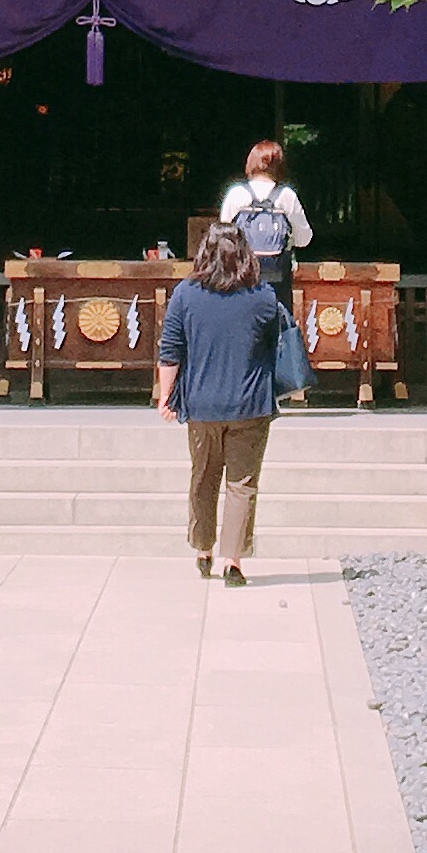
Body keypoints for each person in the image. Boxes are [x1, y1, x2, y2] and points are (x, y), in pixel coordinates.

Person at [157, 218, 288, 586]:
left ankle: (202, 548)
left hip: (201, 403)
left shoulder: (185, 294)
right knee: (242, 483)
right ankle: (233, 561)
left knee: (203, 476)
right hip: (250, 403)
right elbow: (274, 344)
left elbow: (170, 351)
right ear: (246, 256)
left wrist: (165, 396)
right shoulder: (262, 297)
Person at [220, 139, 311, 300]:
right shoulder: (286, 195)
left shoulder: (236, 193)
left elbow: (223, 238)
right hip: (277, 277)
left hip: (243, 276)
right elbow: (304, 239)